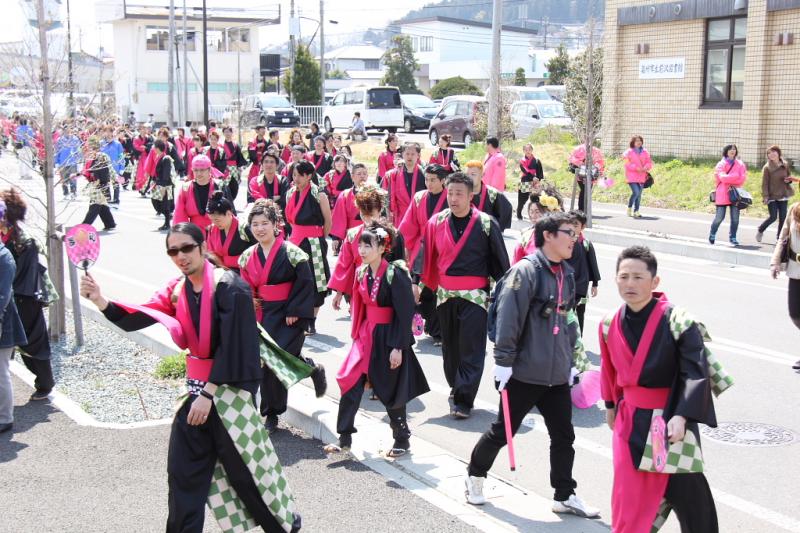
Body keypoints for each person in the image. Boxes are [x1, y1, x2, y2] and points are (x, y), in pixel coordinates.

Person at [80, 223, 302, 532]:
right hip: (196, 395)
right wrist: (100, 300)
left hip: (228, 395)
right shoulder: (177, 289)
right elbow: (141, 315)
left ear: (202, 246)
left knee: (248, 477)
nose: (180, 256)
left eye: (186, 248)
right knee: (182, 475)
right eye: (173, 251)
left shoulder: (230, 286)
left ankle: (285, 528)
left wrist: (208, 394)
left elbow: (235, 346)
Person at [464, 212, 599, 520]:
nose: (575, 238)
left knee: (563, 436)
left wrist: (571, 362)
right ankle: (474, 475)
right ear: (548, 235)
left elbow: (568, 321)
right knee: (503, 432)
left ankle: (564, 494)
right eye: (568, 232)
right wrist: (503, 362)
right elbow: (508, 319)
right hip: (524, 372)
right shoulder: (524, 272)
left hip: (557, 374)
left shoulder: (566, 273)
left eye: (576, 233)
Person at [600, 246, 723, 532]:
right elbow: (609, 370)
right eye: (624, 276)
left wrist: (682, 415)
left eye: (638, 277)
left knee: (690, 499)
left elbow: (695, 371)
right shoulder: (609, 323)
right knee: (629, 500)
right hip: (630, 422)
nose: (630, 284)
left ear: (655, 281)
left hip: (668, 421)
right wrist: (610, 405)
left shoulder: (678, 320)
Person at [325, 221, 430, 455]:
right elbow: (360, 307)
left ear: (382, 248)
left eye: (368, 245)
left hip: (388, 336)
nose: (361, 250)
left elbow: (404, 313)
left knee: (390, 388)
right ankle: (344, 438)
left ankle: (401, 438)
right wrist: (356, 335)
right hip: (366, 335)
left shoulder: (395, 273)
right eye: (360, 245)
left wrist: (398, 347)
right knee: (350, 380)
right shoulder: (361, 271)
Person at [422, 172, 509, 418]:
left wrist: (506, 295)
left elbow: (501, 264)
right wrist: (418, 285)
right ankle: (456, 388)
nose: (453, 198)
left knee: (471, 349)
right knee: (450, 350)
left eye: (459, 194)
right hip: (445, 295)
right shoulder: (436, 222)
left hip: (476, 297)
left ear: (471, 196)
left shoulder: (486, 223)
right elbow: (426, 259)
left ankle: (463, 400)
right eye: (450, 193)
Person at [238, 200, 327, 433]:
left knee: (277, 360)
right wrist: (250, 299)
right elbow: (246, 284)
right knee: (270, 363)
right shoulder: (247, 256)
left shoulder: (293, 253)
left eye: (264, 223)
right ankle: (273, 413)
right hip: (263, 314)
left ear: (275, 224)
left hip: (289, 315)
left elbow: (305, 283)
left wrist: (295, 310)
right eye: (255, 224)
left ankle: (306, 372)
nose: (260, 228)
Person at [1, 190, 53, 400]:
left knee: (33, 341)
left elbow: (22, 275)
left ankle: (45, 383)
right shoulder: (10, 237)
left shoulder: (24, 241)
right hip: (10, 295)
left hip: (24, 297)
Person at [329, 185, 405, 310]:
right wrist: (339, 292)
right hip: (359, 286)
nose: (366, 218)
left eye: (370, 214)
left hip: (385, 288)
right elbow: (344, 264)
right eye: (363, 214)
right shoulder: (353, 234)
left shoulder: (393, 234)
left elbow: (399, 265)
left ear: (380, 210)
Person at [398, 163, 449, 345]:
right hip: (420, 249)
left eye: (433, 180)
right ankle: (425, 320)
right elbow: (409, 224)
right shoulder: (419, 197)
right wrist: (405, 246)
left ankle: (437, 330)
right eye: (426, 179)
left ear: (443, 181)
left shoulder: (449, 198)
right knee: (419, 288)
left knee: (437, 290)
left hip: (441, 249)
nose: (429, 183)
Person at [284, 160, 333, 335]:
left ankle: (312, 319)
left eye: (300, 175)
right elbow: (289, 220)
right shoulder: (290, 193)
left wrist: (319, 238)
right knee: (294, 279)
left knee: (316, 281)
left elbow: (328, 221)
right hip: (294, 240)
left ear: (309, 176)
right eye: (294, 175)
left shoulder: (319, 194)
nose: (296, 179)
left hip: (314, 242)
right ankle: (295, 314)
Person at [0, 198, 27, 434]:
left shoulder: (3, 256)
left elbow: (3, 295)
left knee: (0, 372)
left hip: (2, 322)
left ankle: (4, 418)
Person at [771, 202, 800, 370]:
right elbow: (783, 237)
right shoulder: (795, 209)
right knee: (795, 313)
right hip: (796, 270)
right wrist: (775, 262)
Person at [173, 154, 225, 236]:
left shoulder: (219, 186)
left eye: (202, 170)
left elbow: (229, 212)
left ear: (209, 170)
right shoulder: (186, 188)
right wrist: (182, 234)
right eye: (195, 170)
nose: (199, 173)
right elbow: (179, 215)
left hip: (218, 230)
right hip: (194, 232)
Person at [567, 211, 600, 336]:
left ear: (583, 227)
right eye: (570, 224)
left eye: (575, 225)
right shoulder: (564, 242)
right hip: (566, 283)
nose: (572, 227)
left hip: (581, 284)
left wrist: (595, 284)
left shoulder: (586, 244)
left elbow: (593, 264)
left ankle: (579, 338)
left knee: (580, 312)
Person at [205, 191, 253, 272]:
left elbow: (256, 251)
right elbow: (211, 253)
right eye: (212, 220)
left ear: (228, 213)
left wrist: (229, 261)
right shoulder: (212, 229)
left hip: (243, 271)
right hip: (221, 271)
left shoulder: (243, 228)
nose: (214, 223)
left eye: (217, 220)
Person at [709, 144, 747, 246]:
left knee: (735, 218)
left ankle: (733, 237)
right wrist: (735, 176)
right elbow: (722, 178)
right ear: (726, 151)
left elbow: (742, 179)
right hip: (722, 194)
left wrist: (729, 178)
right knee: (719, 217)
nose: (732, 150)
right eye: (730, 149)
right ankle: (712, 233)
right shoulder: (721, 164)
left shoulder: (740, 164)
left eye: (734, 149)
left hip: (735, 194)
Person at [512, 188, 562, 264]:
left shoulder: (561, 235)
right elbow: (516, 264)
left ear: (549, 212)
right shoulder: (526, 236)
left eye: (537, 212)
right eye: (531, 212)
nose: (533, 216)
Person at [757, 145, 795, 243]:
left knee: (783, 217)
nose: (771, 154)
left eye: (773, 152)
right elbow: (764, 183)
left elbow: (789, 176)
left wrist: (788, 180)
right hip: (772, 195)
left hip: (783, 194)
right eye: (769, 153)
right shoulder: (767, 167)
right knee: (773, 217)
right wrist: (765, 196)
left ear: (778, 153)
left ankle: (779, 238)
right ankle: (761, 229)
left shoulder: (785, 164)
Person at [383, 142, 426, 224]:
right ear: (402, 155)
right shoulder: (392, 175)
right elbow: (386, 197)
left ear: (418, 155)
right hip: (400, 216)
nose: (410, 156)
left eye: (413, 154)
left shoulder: (424, 174)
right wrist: (388, 214)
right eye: (407, 154)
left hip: (418, 215)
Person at [464, 160, 513, 231]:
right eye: (467, 174)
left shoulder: (493, 194)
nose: (469, 177)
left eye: (473, 174)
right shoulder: (460, 193)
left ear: (482, 175)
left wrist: (496, 231)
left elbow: (506, 210)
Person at [81, 137, 117, 231]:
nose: (88, 148)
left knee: (95, 205)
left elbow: (108, 169)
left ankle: (85, 226)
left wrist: (114, 179)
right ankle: (110, 223)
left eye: (90, 146)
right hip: (95, 183)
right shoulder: (91, 157)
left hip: (100, 183)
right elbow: (87, 170)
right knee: (101, 205)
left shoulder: (102, 156)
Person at [329, 162, 369, 243]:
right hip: (351, 233)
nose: (362, 176)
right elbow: (339, 218)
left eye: (364, 174)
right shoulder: (345, 194)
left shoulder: (374, 193)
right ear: (352, 177)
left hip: (369, 232)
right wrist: (336, 238)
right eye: (359, 174)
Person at [148, 139, 177, 231]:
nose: (153, 148)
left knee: (165, 204)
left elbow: (166, 174)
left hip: (165, 185)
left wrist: (163, 186)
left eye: (154, 147)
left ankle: (167, 223)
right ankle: (167, 219)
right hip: (159, 183)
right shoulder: (159, 157)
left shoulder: (166, 158)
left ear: (157, 148)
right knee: (156, 201)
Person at [622, 135, 653, 218]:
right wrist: (636, 168)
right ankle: (629, 208)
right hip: (631, 176)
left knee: (639, 195)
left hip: (642, 175)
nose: (639, 142)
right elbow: (626, 163)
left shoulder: (645, 152)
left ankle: (636, 211)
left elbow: (649, 162)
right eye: (637, 141)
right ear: (633, 142)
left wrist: (646, 167)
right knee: (636, 192)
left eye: (640, 140)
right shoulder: (628, 152)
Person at [569, 143, 606, 212]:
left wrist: (597, 168)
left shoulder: (596, 151)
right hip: (581, 173)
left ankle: (583, 209)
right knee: (584, 190)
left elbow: (600, 162)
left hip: (590, 173)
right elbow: (572, 159)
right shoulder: (579, 149)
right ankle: (582, 209)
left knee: (586, 191)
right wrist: (582, 163)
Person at [517, 143, 545, 220]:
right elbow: (525, 171)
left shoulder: (537, 160)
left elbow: (540, 173)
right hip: (525, 181)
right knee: (522, 200)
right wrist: (533, 177)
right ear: (523, 151)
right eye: (526, 150)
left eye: (529, 149)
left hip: (535, 182)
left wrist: (538, 180)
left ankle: (537, 215)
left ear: (532, 150)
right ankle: (519, 213)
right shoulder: (522, 161)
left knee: (536, 199)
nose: (528, 151)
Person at [100, 125, 125, 205]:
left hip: (115, 167)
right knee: (105, 184)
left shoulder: (117, 144)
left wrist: (121, 168)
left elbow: (121, 156)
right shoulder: (101, 143)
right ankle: (108, 198)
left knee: (116, 184)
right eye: (106, 131)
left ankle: (116, 199)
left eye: (110, 131)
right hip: (104, 167)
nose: (108, 133)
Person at [55, 126, 82, 199]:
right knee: (64, 178)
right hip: (63, 162)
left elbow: (78, 150)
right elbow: (57, 151)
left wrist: (79, 160)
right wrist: (56, 161)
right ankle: (66, 193)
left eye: (69, 130)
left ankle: (73, 192)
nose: (68, 131)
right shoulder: (60, 140)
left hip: (73, 161)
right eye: (66, 130)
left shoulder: (75, 139)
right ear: (63, 131)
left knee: (73, 178)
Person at [221, 126, 247, 200]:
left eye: (229, 132)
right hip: (225, 168)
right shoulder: (221, 145)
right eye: (225, 132)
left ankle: (232, 200)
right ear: (223, 133)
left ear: (232, 133)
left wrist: (240, 169)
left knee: (234, 186)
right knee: (225, 186)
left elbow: (239, 157)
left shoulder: (236, 145)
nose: (227, 133)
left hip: (234, 168)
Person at [132, 123, 154, 194]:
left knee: (147, 173)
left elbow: (151, 146)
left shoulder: (149, 138)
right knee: (140, 174)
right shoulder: (136, 138)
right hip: (140, 157)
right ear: (139, 130)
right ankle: (140, 188)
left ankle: (145, 188)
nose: (144, 130)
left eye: (145, 129)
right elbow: (136, 147)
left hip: (147, 157)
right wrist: (144, 148)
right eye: (142, 129)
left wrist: (145, 147)